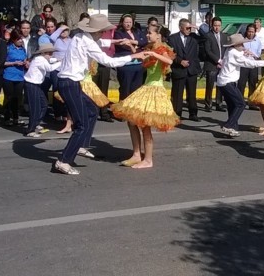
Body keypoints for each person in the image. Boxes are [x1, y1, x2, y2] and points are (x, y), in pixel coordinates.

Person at [51, 14, 145, 175]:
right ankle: (63, 161)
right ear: (96, 31)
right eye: (102, 31)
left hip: (71, 83)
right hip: (69, 84)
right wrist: (133, 56)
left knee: (92, 110)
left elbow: (100, 42)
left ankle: (80, 146)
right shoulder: (88, 42)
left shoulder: (79, 36)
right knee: (80, 125)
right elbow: (109, 61)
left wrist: (116, 41)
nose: (103, 34)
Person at [112, 27, 180, 169]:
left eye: (150, 33)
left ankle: (148, 160)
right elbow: (140, 57)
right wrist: (131, 47)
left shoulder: (162, 49)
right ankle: (137, 154)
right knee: (131, 121)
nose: (147, 35)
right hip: (146, 87)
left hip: (155, 89)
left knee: (145, 125)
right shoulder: (149, 48)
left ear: (158, 35)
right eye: (147, 33)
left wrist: (154, 54)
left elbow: (169, 61)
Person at [216, 34, 264, 137]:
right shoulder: (234, 53)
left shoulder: (231, 51)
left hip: (224, 82)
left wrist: (247, 53)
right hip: (227, 82)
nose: (243, 46)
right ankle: (228, 125)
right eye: (240, 44)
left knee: (232, 106)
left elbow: (242, 56)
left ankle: (232, 128)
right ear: (235, 45)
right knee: (240, 104)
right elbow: (249, 64)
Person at [24, 43, 61, 138]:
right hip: (32, 84)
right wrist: (60, 62)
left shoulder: (42, 58)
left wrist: (58, 59)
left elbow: (51, 60)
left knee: (44, 104)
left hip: (37, 85)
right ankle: (30, 130)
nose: (51, 55)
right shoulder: (39, 60)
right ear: (44, 53)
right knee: (35, 108)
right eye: (50, 53)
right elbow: (49, 68)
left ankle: (36, 122)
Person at [168, 18, 201, 121]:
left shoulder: (193, 38)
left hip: (191, 70)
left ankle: (193, 113)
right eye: (187, 28)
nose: (189, 30)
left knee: (192, 93)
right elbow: (170, 53)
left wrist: (197, 28)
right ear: (180, 28)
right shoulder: (173, 38)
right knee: (177, 94)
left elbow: (205, 38)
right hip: (179, 69)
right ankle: (177, 114)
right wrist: (180, 61)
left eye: (190, 28)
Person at [202, 17, 229, 112]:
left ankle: (219, 103)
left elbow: (226, 49)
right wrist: (218, 60)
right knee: (210, 85)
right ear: (211, 25)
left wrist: (223, 61)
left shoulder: (224, 36)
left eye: (219, 25)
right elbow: (208, 51)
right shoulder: (207, 36)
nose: (217, 27)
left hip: (222, 64)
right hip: (211, 64)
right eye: (215, 25)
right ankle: (208, 104)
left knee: (220, 85)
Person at [2, 30, 27, 127]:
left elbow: (25, 59)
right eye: (18, 39)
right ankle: (7, 118)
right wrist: (14, 63)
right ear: (13, 39)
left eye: (21, 39)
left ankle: (16, 118)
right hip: (9, 76)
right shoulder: (8, 48)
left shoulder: (23, 49)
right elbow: (2, 62)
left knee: (17, 98)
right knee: (8, 98)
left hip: (20, 77)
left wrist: (25, 63)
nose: (20, 41)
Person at [238, 24, 262, 101]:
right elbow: (238, 51)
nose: (251, 33)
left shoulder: (258, 41)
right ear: (246, 31)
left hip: (253, 65)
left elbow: (259, 54)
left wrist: (253, 54)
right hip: (244, 65)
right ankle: (240, 101)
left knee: (253, 83)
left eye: (252, 32)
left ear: (255, 32)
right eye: (249, 31)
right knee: (241, 83)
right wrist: (244, 52)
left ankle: (251, 101)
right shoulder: (242, 40)